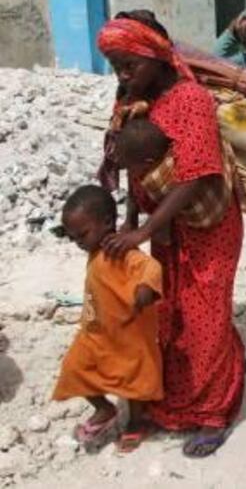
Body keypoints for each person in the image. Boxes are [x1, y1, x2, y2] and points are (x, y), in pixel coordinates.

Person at [96, 11, 245, 458]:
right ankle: (207, 381)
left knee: (205, 315)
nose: (123, 75)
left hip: (207, 226)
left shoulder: (191, 100)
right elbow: (127, 163)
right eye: (116, 66)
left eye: (130, 65)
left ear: (157, 57)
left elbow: (196, 175)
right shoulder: (128, 100)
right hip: (163, 228)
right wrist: (127, 220)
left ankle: (213, 413)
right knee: (171, 315)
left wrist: (143, 229)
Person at [53, 185, 162, 453]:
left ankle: (137, 423)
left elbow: (150, 267)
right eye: (73, 238)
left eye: (83, 234)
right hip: (95, 333)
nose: (79, 242)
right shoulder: (94, 250)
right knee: (74, 368)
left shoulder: (120, 249)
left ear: (106, 223)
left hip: (128, 335)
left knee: (133, 384)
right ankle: (104, 408)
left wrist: (145, 289)